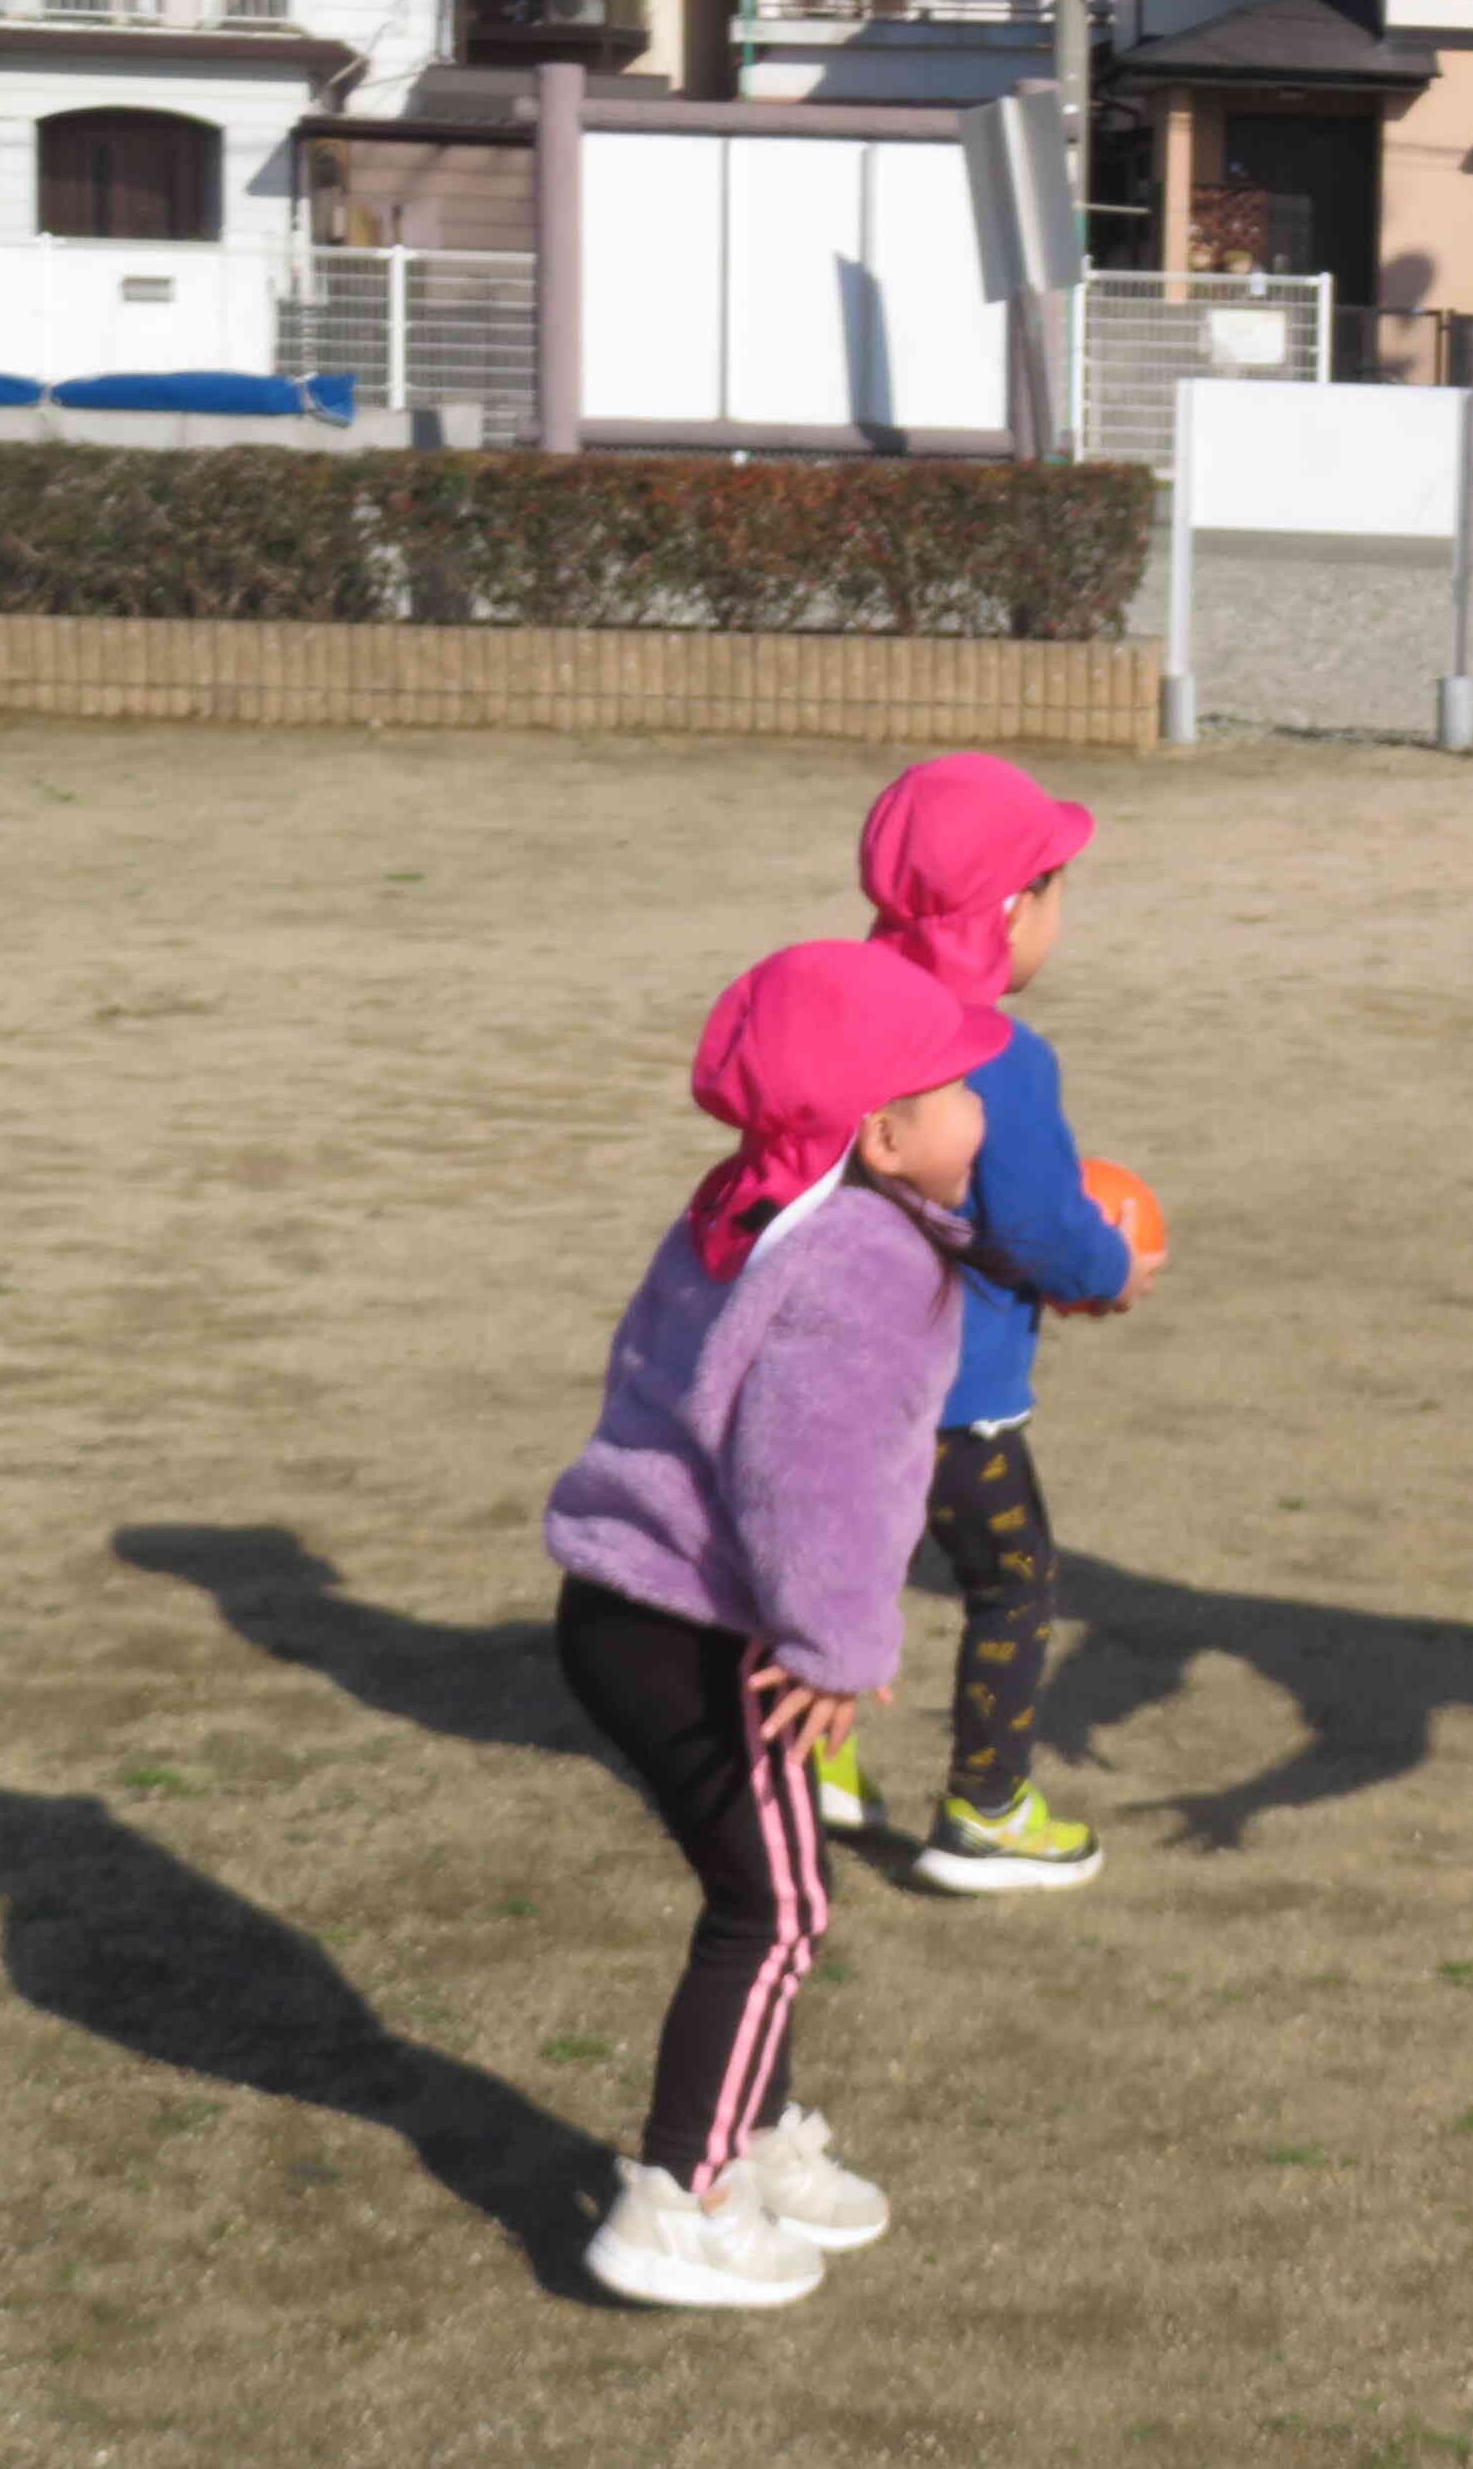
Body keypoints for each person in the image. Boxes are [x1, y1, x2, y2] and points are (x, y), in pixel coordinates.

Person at [546, 937, 1010, 2305]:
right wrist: (836, 1645)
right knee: (781, 1902)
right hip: (702, 1624)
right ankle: (677, 2196)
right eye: (957, 1087)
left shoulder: (752, 1204)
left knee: (768, 1885)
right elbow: (815, 1477)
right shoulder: (863, 1256)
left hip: (623, 1604)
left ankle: (751, 2139)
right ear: (883, 1135)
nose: (985, 1107)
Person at [811, 752, 1160, 1895]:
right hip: (957, 1397)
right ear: (1012, 910)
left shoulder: (836, 1010)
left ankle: (815, 1757)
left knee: (846, 1559)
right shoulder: (999, 1060)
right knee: (1013, 1576)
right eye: (1057, 893)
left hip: (823, 1364)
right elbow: (1038, 1228)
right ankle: (986, 1812)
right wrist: (1108, 1269)